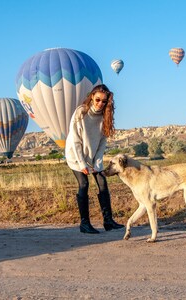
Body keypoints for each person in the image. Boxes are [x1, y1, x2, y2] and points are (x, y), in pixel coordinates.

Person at [65, 84, 124, 234]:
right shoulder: (81, 113)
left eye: (104, 101)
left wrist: (98, 162)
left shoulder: (106, 115)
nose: (100, 104)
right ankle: (84, 223)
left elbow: (103, 141)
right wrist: (82, 164)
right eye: (97, 99)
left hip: (92, 155)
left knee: (102, 183)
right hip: (75, 155)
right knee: (84, 184)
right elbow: (75, 141)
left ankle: (108, 221)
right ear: (92, 97)